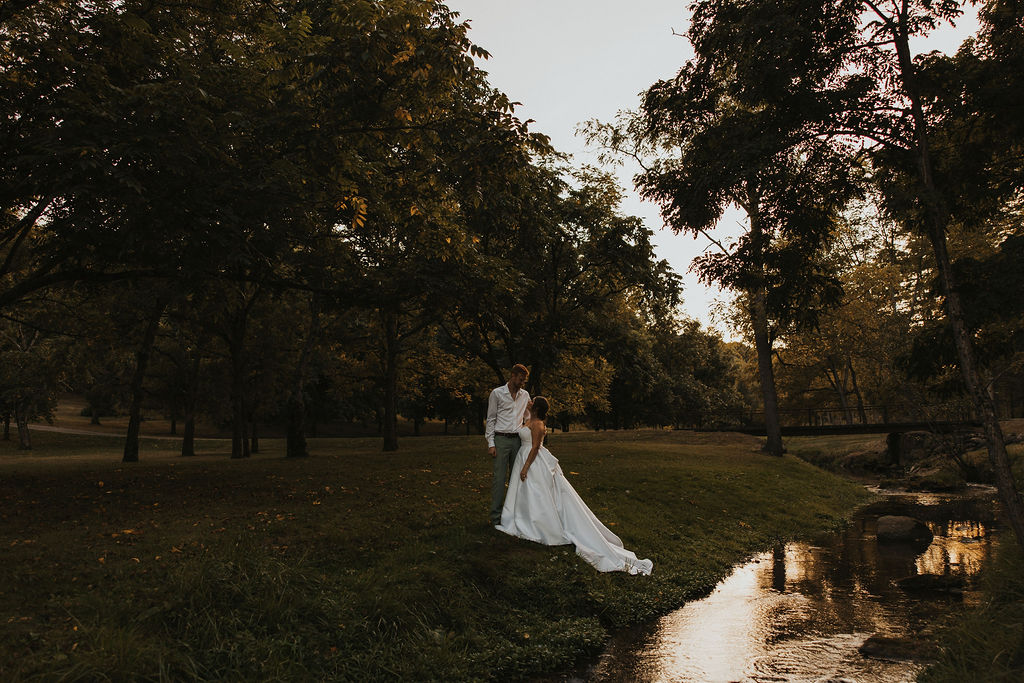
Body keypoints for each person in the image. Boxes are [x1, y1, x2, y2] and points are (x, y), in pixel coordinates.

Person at [496, 396, 653, 575]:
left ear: (537, 408)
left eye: (532, 401)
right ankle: (521, 519)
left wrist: (525, 467)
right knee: (525, 493)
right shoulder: (528, 419)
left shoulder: (538, 424)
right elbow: (518, 413)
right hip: (523, 457)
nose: (529, 402)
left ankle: (540, 525)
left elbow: (535, 448)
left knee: (538, 493)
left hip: (532, 461)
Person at [485, 364, 531, 526]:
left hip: (518, 441)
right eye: (520, 379)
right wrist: (491, 443)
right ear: (512, 375)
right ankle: (496, 517)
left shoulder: (525, 395)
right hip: (501, 440)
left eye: (524, 381)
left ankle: (514, 515)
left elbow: (528, 417)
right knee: (499, 479)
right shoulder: (497, 393)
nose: (522, 383)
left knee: (517, 479)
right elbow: (491, 419)